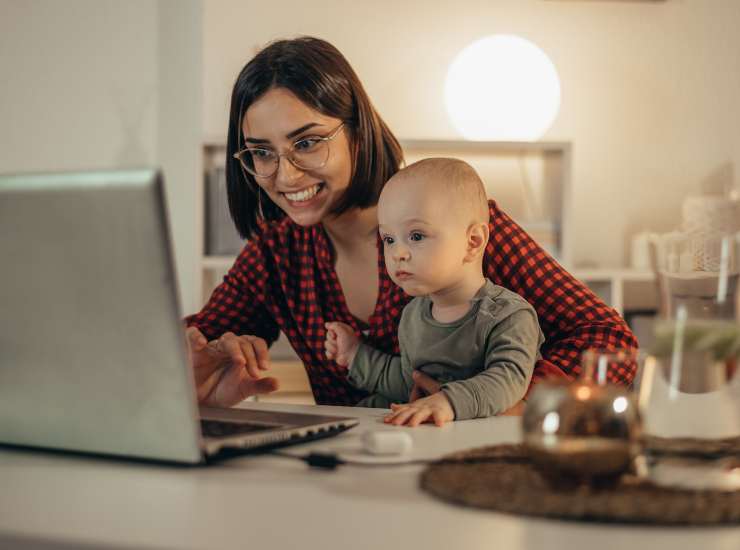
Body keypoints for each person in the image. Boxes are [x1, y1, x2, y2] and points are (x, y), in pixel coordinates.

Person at [185, 36, 638, 410]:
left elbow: (609, 342)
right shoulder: (276, 252)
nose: (284, 175)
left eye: (307, 142)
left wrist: (507, 399)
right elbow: (193, 346)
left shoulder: (456, 224)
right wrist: (203, 374)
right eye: (262, 152)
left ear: (358, 133)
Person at [324, 158, 545, 426]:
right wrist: (355, 355)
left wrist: (447, 401)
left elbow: (508, 379)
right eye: (389, 239)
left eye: (416, 236)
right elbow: (408, 380)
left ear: (472, 242)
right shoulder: (413, 315)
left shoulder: (508, 314)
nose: (397, 254)